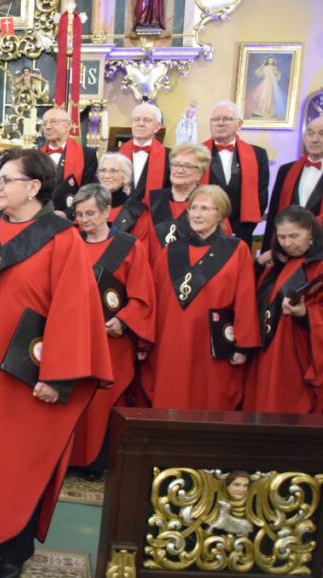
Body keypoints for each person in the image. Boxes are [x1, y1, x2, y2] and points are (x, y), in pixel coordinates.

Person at [0, 148, 112, 578]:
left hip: (27, 374)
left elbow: (73, 310)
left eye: (5, 180)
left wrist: (57, 375)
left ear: (33, 187)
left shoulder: (61, 238)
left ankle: (14, 548)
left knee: (20, 459)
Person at [67, 184, 156, 480]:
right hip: (74, 338)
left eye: (90, 213)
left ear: (107, 211)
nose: (84, 220)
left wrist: (123, 321)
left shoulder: (129, 246)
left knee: (102, 402)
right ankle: (67, 458)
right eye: (79, 214)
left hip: (110, 341)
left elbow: (142, 296)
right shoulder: (70, 242)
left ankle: (95, 462)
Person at [144, 185, 259, 410]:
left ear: (221, 213)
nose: (196, 214)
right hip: (172, 339)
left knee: (208, 399)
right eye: (193, 208)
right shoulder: (170, 250)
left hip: (211, 341)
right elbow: (155, 297)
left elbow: (245, 298)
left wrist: (243, 344)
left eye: (205, 208)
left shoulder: (237, 249)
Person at [245, 206, 323, 413]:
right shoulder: (276, 264)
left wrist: (305, 314)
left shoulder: (319, 266)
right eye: (282, 237)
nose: (287, 243)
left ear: (311, 233)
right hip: (267, 350)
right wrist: (258, 264)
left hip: (296, 352)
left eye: (294, 236)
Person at [132, 143, 215, 267]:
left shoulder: (209, 202)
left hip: (194, 274)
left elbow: (218, 248)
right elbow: (140, 241)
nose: (180, 170)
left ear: (199, 173)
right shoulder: (152, 199)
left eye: (187, 166)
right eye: (175, 164)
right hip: (153, 272)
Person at [200, 101, 269, 249]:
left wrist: (241, 230)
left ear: (239, 124)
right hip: (203, 230)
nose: (220, 123)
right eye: (216, 119)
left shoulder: (258, 154)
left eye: (227, 119)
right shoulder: (196, 153)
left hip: (242, 232)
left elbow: (261, 197)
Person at [262, 117, 323, 252]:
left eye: (321, 134)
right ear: (304, 138)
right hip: (286, 249)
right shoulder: (286, 170)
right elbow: (274, 213)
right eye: (310, 133)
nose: (314, 139)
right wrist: (268, 250)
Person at [40, 107, 98, 214]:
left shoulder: (87, 154)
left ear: (68, 125)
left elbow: (89, 191)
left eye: (53, 122)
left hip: (72, 215)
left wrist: (68, 214)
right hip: (40, 214)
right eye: (44, 124)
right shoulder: (35, 155)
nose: (48, 127)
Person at [115, 102, 170, 205]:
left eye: (147, 120)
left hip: (154, 212)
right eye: (136, 119)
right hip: (120, 211)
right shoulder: (114, 155)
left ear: (157, 127)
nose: (140, 124)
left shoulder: (170, 156)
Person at [96, 153, 147, 233]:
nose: (106, 176)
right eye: (103, 170)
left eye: (113, 171)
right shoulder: (90, 204)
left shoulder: (136, 210)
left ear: (125, 176)